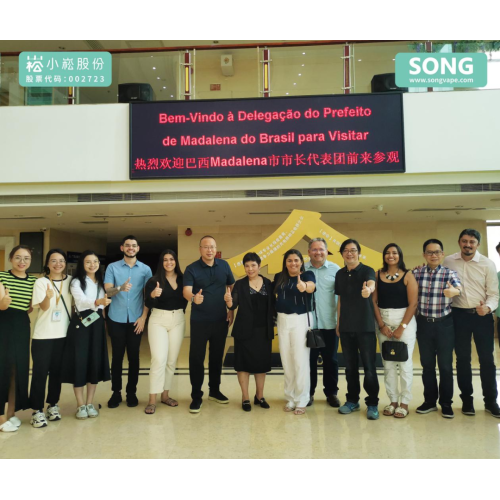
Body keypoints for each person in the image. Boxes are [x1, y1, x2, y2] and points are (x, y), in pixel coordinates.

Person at [443, 229, 500, 418]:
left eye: (472, 242)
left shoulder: (487, 264)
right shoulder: (449, 261)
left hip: (481, 315)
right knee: (462, 360)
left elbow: (494, 293)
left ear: (478, 244)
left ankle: (491, 401)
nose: (468, 245)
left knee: (487, 360)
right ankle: (467, 401)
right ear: (459, 242)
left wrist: (489, 308)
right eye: (465, 241)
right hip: (458, 316)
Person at [183, 235, 235, 413]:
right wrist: (193, 298)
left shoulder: (225, 266)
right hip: (199, 322)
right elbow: (186, 291)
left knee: (216, 357)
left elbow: (231, 286)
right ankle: (196, 396)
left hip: (220, 320)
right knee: (196, 359)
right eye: (206, 247)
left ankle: (214, 390)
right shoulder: (192, 269)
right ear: (200, 249)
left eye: (212, 247)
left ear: (216, 248)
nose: (209, 250)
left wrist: (231, 308)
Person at [413, 239, 461, 419]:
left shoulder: (450, 273)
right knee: (427, 366)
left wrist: (454, 292)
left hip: (444, 324)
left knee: (446, 367)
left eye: (437, 252)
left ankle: (446, 403)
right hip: (424, 324)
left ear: (442, 254)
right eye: (430, 252)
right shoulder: (416, 273)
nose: (433, 255)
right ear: (424, 254)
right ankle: (430, 402)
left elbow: (458, 288)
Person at [62, 251, 111, 419]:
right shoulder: (76, 281)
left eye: (95, 261)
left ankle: (90, 402)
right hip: (81, 324)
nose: (92, 265)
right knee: (80, 361)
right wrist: (98, 302)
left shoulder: (100, 282)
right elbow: (81, 302)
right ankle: (80, 404)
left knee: (93, 362)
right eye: (88, 262)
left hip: (96, 323)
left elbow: (101, 307)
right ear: (82, 264)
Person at [104, 235, 152, 408]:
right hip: (116, 319)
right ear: (122, 248)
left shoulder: (146, 270)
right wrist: (120, 288)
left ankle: (131, 392)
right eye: (127, 245)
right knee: (116, 358)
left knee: (134, 357)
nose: (130, 248)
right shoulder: (112, 267)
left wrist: (143, 317)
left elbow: (148, 296)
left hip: (136, 320)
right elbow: (108, 292)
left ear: (138, 248)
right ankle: (116, 393)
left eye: (133, 245)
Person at [335, 239, 380, 420]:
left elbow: (371, 284)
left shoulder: (367, 270)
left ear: (359, 252)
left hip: (365, 326)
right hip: (346, 327)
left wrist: (368, 291)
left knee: (369, 367)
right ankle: (352, 400)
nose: (349, 253)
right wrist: (338, 322)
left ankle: (373, 403)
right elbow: (340, 301)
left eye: (353, 250)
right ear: (342, 254)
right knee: (350, 367)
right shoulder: (339, 274)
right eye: (346, 250)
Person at [225, 252, 275, 411]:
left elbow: (273, 305)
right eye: (247, 266)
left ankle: (259, 396)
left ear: (259, 266)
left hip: (264, 331)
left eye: (253, 265)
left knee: (261, 365)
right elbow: (233, 305)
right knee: (243, 365)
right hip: (244, 331)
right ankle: (245, 397)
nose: (250, 268)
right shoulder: (240, 284)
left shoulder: (268, 283)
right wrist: (229, 302)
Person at [372, 243, 418, 418]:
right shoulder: (377, 274)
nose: (391, 256)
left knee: (404, 364)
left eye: (394, 253)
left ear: (400, 255)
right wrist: (382, 325)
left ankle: (404, 402)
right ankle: (392, 400)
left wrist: (401, 327)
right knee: (388, 364)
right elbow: (374, 302)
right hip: (383, 321)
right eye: (388, 253)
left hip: (404, 321)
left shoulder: (408, 275)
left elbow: (413, 303)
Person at [29, 249, 72, 428]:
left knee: (57, 373)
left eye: (61, 261)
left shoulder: (70, 281)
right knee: (40, 374)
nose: (57, 264)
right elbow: (44, 308)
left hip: (63, 335)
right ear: (47, 264)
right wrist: (47, 297)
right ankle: (36, 411)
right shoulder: (41, 282)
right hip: (43, 336)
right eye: (53, 261)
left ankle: (52, 405)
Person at [143, 250, 187, 415]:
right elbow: (147, 301)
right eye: (165, 260)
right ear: (161, 263)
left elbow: (188, 297)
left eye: (172, 259)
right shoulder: (154, 281)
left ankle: (165, 395)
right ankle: (152, 400)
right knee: (159, 359)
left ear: (176, 261)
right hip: (158, 320)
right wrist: (153, 295)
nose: (169, 262)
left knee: (171, 361)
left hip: (178, 320)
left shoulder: (183, 279)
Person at [273, 249, 316, 415]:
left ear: (301, 262)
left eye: (296, 260)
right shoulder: (279, 277)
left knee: (300, 360)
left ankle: (302, 399)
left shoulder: (307, 275)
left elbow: (312, 287)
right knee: (286, 359)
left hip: (301, 320)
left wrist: (305, 286)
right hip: (283, 320)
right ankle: (290, 397)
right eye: (289, 260)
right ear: (285, 262)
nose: (293, 263)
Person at [0, 245, 36, 433]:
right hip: (3, 323)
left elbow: (30, 307)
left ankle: (12, 413)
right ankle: (0, 417)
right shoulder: (1, 276)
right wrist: (3, 303)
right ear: (11, 259)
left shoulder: (33, 281)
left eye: (26, 258)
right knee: (2, 368)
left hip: (22, 324)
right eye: (18, 257)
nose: (22, 262)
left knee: (17, 369)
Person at [305, 238, 341, 408]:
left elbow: (341, 297)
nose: (318, 252)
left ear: (327, 251)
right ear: (308, 252)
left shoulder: (336, 270)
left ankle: (332, 393)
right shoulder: (302, 269)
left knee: (331, 360)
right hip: (309, 324)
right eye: (314, 249)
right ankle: (308, 393)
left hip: (330, 323)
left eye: (321, 249)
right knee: (309, 361)